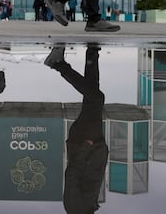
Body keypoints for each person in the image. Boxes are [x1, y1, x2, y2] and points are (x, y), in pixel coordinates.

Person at [43, 44, 107, 213]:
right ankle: (91, 55)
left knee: (96, 97)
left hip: (84, 141)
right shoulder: (85, 209)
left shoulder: (74, 208)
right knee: (92, 91)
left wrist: (87, 146)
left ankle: (57, 64)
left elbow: (72, 174)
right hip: (94, 143)